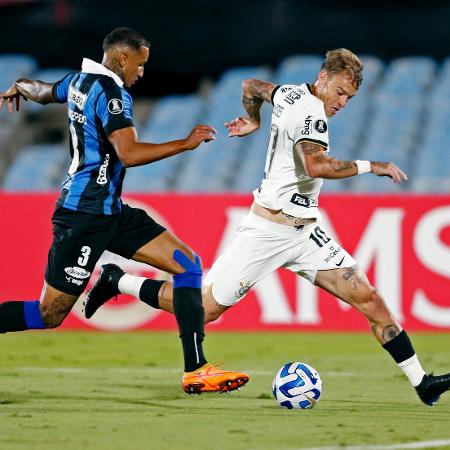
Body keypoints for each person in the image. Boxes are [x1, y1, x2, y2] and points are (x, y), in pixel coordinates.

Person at [84, 48, 450, 406]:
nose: (342, 103)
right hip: (268, 232)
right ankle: (117, 280)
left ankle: (422, 382)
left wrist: (254, 119)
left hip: (306, 233)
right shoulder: (314, 118)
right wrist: (376, 165)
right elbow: (316, 167)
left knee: (370, 299)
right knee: (206, 308)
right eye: (339, 92)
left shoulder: (290, 93)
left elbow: (252, 86)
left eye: (350, 97)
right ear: (322, 78)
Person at [0, 27, 249, 395]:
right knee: (47, 314)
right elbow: (128, 153)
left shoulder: (78, 80)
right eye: (140, 64)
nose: (142, 73)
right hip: (82, 217)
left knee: (187, 263)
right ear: (121, 58)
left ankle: (196, 369)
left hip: (110, 212)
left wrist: (20, 85)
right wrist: (185, 143)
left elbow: (44, 90)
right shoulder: (112, 93)